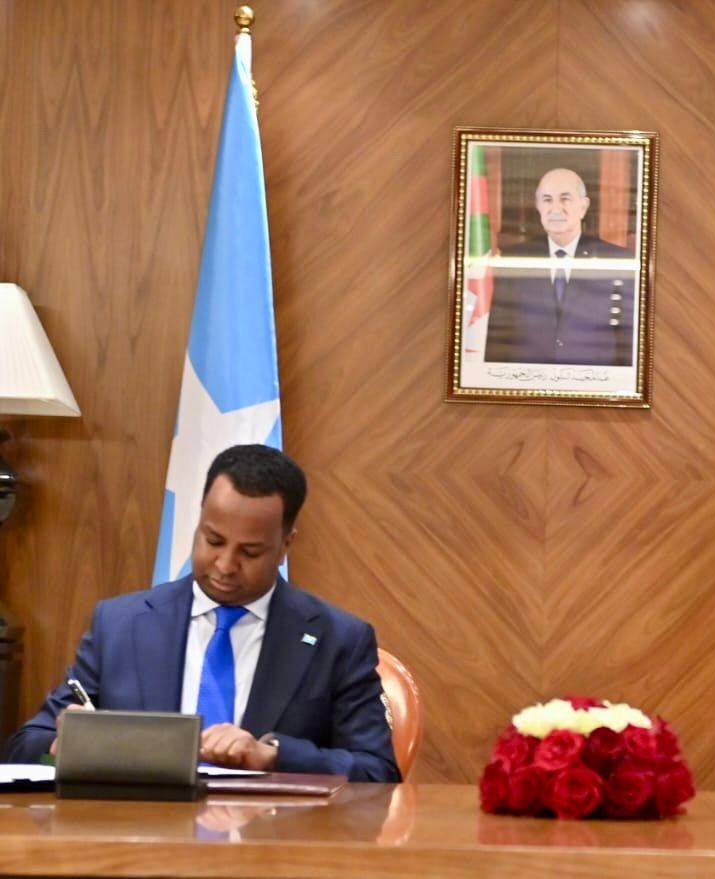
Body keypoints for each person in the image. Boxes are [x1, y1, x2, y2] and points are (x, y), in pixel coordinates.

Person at [5, 445, 399, 782]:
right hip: (141, 835)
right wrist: (65, 742)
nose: (225, 565)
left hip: (270, 840)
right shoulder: (120, 624)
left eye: (250, 552)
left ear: (285, 545)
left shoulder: (339, 640)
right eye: (213, 540)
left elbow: (377, 772)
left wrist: (274, 755)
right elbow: (25, 746)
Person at [485, 167, 636, 367]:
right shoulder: (514, 259)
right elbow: (498, 341)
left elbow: (628, 342)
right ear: (538, 206)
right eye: (547, 200)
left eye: (565, 199)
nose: (555, 209)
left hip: (592, 381)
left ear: (583, 207)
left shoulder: (616, 260)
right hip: (529, 381)